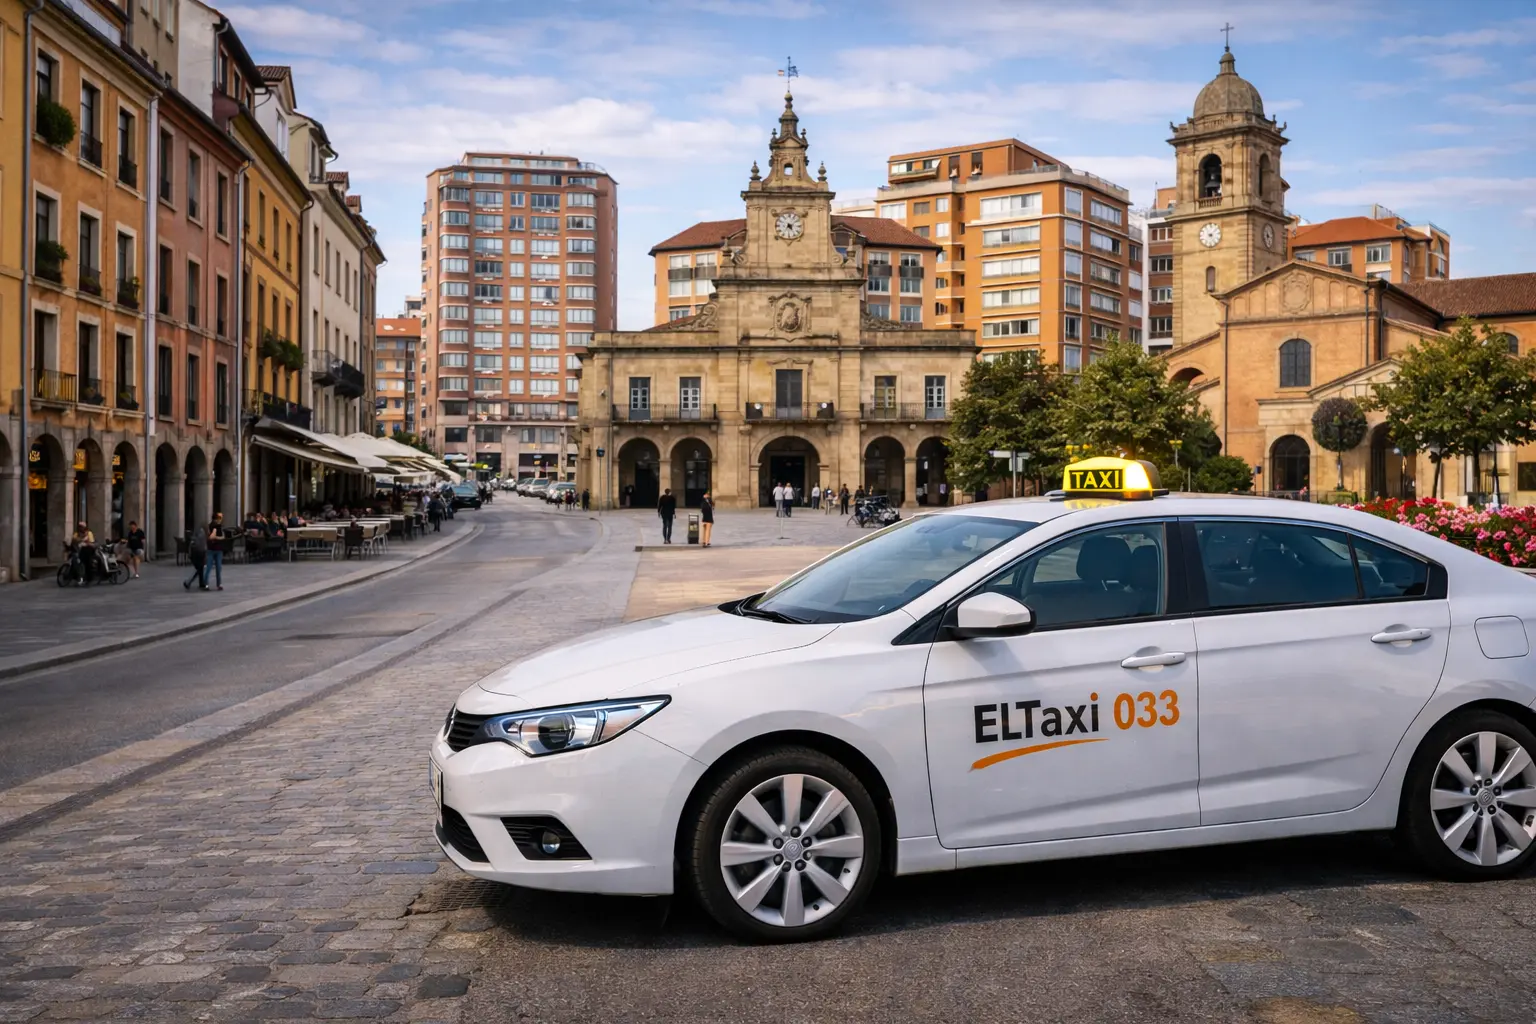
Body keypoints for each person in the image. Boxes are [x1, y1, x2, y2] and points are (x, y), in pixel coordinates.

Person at [204, 514, 226, 591]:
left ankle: (206, 584)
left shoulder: (208, 526)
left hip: (210, 549)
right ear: (217, 519)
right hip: (218, 549)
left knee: (208, 567)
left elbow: (208, 537)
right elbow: (222, 537)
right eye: (220, 518)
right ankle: (219, 584)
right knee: (218, 568)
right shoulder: (218, 526)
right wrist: (216, 537)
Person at [184, 523, 208, 590]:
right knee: (199, 569)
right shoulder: (202, 535)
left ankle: (201, 583)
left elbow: (192, 545)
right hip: (199, 554)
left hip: (196, 554)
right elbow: (203, 547)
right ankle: (188, 582)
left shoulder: (197, 535)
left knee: (200, 569)